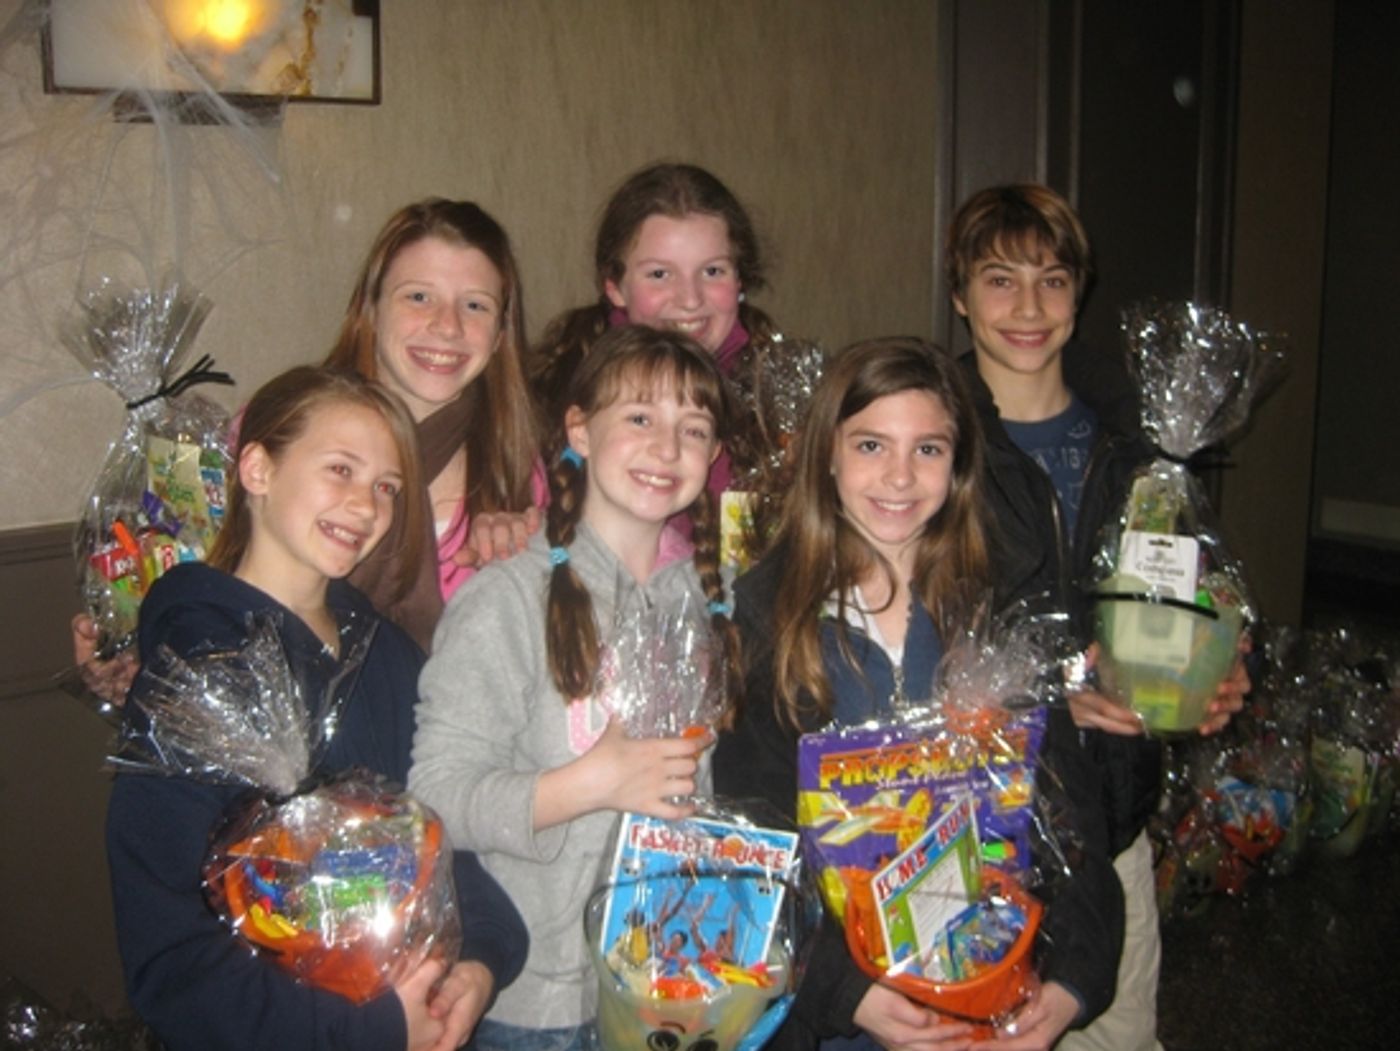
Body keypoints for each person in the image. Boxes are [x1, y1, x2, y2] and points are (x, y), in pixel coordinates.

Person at [713, 337, 1124, 1051]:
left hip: (982, 997)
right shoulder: (770, 626)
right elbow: (751, 848)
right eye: (871, 444)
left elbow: (1069, 818)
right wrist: (850, 993)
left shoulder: (997, 618)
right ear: (828, 456)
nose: (899, 477)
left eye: (928, 449)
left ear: (960, 465)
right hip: (829, 1020)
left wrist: (1071, 981)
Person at [105, 366, 528, 1051]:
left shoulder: (387, 656)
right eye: (340, 468)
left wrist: (479, 959)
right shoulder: (197, 669)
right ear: (257, 468)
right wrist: (374, 1028)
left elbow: (442, 843)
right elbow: (173, 956)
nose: (366, 505)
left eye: (387, 487)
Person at [944, 184, 1249, 1051]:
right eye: (999, 281)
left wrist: (1217, 668)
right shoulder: (931, 443)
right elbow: (920, 626)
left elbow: (1199, 595)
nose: (1029, 307)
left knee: (1119, 1033)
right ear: (959, 295)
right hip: (985, 830)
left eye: (1052, 279)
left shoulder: (1144, 447)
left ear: (1081, 293)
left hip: (1114, 824)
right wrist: (1054, 691)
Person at [409, 325, 740, 1051]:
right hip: (541, 1006)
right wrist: (591, 782)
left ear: (714, 456)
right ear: (580, 431)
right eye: (640, 418)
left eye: (693, 429)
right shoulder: (506, 599)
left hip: (677, 991)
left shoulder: (714, 601)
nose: (666, 447)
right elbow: (434, 794)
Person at [74, 197, 544, 695]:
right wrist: (140, 654)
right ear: (371, 308)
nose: (447, 326)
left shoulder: (522, 474)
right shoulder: (275, 430)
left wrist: (534, 564)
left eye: (475, 305)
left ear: (499, 335)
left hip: (456, 760)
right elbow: (205, 580)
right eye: (419, 297)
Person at [530, 162, 781, 508]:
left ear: (740, 280)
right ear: (615, 287)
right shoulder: (559, 397)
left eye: (712, 271)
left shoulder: (782, 395)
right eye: (660, 274)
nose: (690, 300)